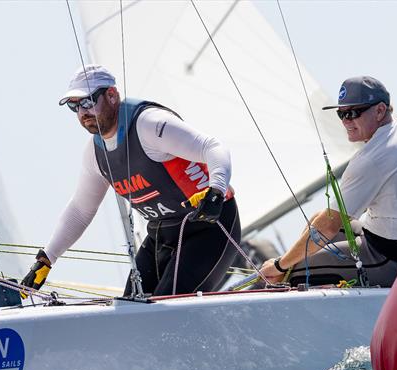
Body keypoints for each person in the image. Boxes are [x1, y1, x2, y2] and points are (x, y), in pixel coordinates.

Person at [20, 64, 240, 297]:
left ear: (112, 95)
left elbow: (213, 147)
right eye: (74, 106)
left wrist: (215, 190)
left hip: (209, 227)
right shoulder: (95, 153)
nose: (82, 112)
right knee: (129, 311)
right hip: (160, 235)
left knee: (166, 309)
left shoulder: (149, 124)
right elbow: (81, 210)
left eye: (87, 102)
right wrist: (47, 259)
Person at [259, 76, 397, 287]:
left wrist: (280, 265)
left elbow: (328, 227)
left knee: (298, 271)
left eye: (353, 113)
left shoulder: (371, 159)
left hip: (393, 258)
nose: (346, 121)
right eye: (341, 114)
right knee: (316, 219)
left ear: (380, 110)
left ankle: (280, 280)